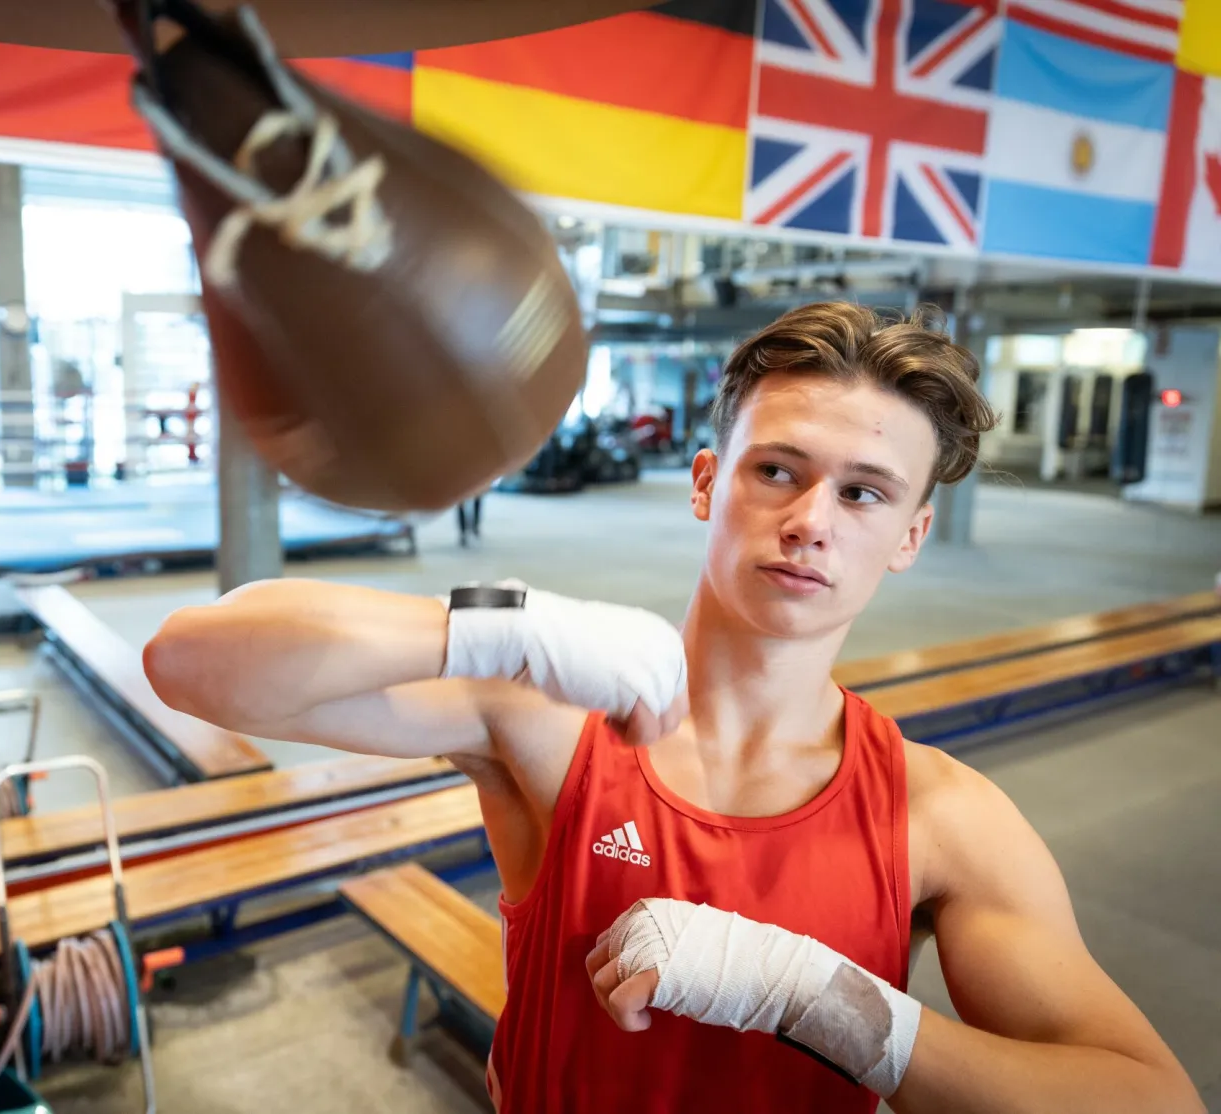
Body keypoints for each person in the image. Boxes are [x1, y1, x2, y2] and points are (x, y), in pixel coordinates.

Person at [142, 303, 1202, 1114]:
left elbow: (1152, 1099)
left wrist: (813, 996)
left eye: (864, 492)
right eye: (775, 470)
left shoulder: (940, 814)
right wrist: (498, 622)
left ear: (912, 535)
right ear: (706, 482)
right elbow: (191, 665)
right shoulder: (548, 717)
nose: (809, 521)